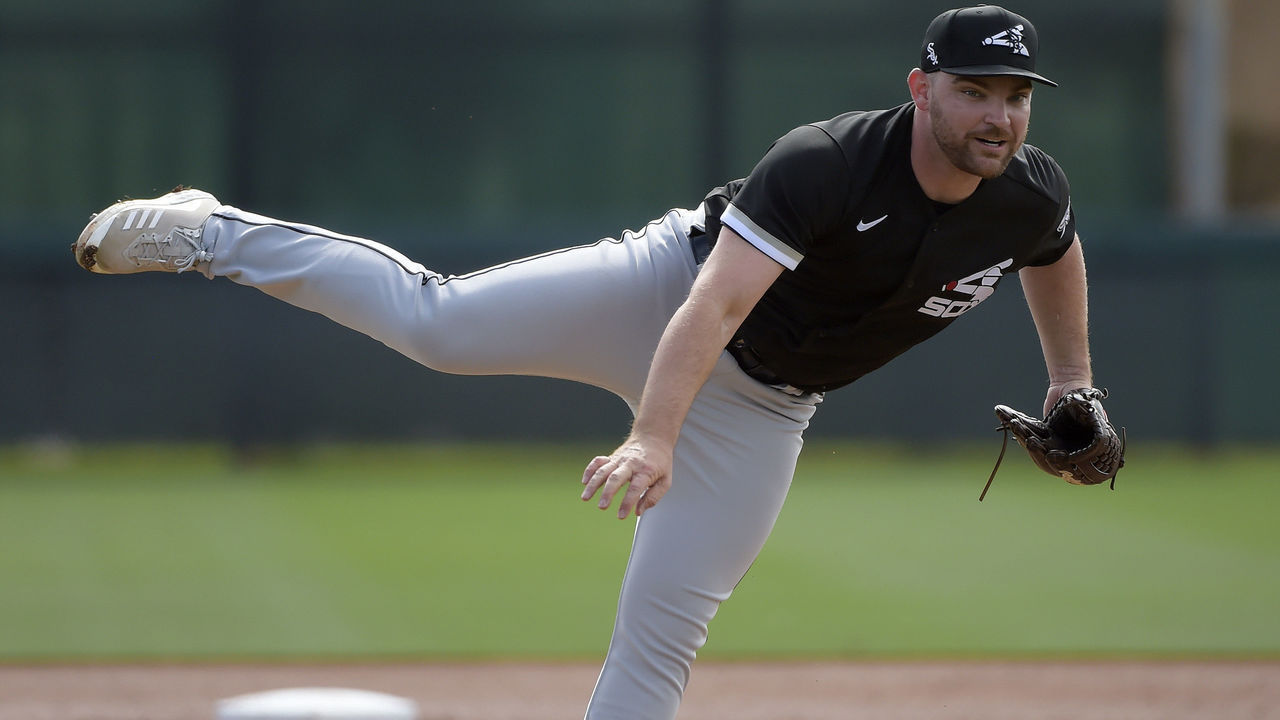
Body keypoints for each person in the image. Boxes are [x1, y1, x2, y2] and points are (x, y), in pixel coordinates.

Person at [72, 6, 1097, 718]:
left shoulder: (1026, 190)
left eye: (1014, 94)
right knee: (438, 325)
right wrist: (653, 433)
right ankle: (209, 237)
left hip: (767, 408)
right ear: (921, 88)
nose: (997, 115)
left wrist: (1070, 385)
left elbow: (1054, 252)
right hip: (660, 294)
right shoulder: (826, 162)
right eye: (974, 90)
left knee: (664, 627)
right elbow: (716, 300)